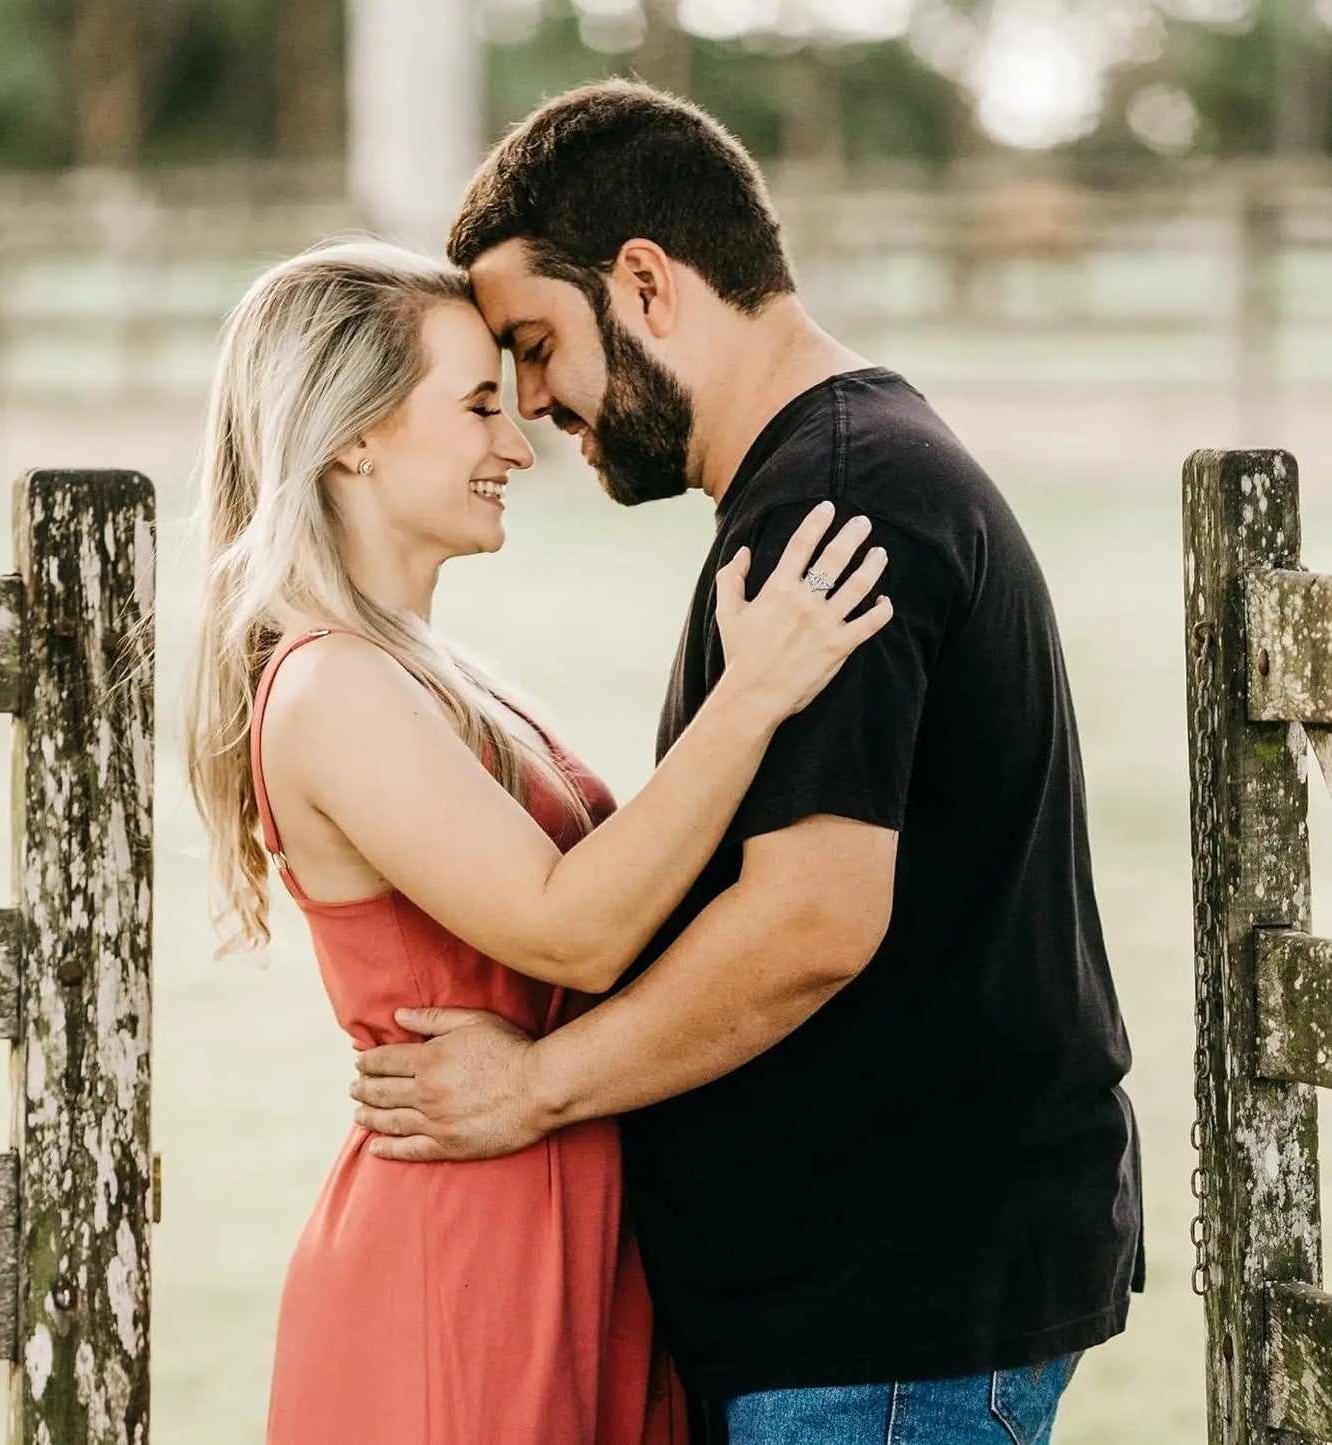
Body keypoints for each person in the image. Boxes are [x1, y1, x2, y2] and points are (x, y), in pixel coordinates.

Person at [350, 81, 1145, 1445]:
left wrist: (533, 1086)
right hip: (871, 1298)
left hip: (885, 1314)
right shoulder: (833, 471)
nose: (533, 407)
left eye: (537, 345)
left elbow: (810, 920)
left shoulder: (837, 502)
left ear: (646, 283)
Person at [183, 236, 893, 1444]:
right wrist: (752, 692)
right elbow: (578, 928)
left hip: (564, 1220)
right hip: (463, 1255)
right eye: (474, 407)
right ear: (352, 435)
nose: (516, 445)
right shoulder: (328, 690)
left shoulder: (429, 674)